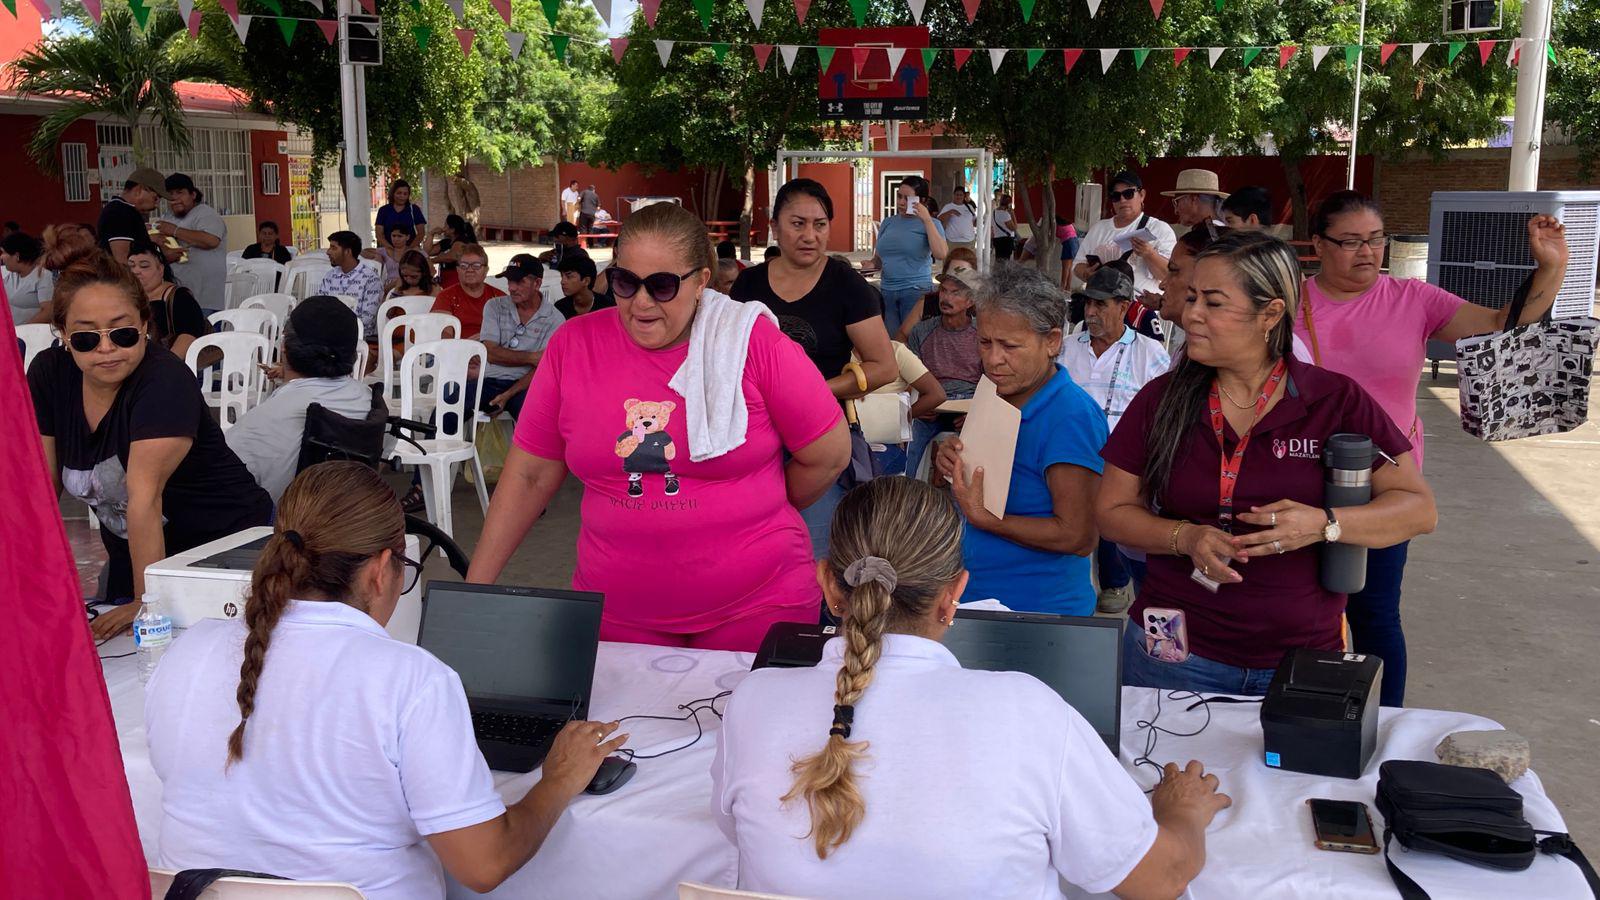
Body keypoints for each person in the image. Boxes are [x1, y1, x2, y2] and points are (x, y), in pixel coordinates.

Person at [711, 476, 1229, 900]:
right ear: (954, 595)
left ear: (828, 585)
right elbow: (1161, 879)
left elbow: (739, 834)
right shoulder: (1027, 710)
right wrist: (1181, 808)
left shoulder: (754, 700)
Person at [145, 462, 626, 900]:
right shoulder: (412, 678)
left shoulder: (188, 649)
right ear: (380, 570)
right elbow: (485, 865)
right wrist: (558, 780)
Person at [467, 201, 850, 650]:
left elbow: (829, 455)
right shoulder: (573, 346)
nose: (642, 302)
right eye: (627, 283)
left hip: (759, 603)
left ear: (701, 282)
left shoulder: (753, 344)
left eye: (663, 285)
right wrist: (475, 591)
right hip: (615, 609)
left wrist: (750, 506)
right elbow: (530, 474)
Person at [1097, 231, 1438, 695]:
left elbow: (1417, 508)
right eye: (1193, 296)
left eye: (1213, 303)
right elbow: (1112, 512)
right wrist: (1185, 537)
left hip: (1302, 660)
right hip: (1173, 654)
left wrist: (1323, 524)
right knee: (1164, 770)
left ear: (1271, 313)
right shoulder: (1162, 399)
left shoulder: (1333, 401)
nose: (1192, 313)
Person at [1293, 191, 1569, 706]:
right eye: (1349, 241)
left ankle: (1388, 725)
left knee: (1374, 613)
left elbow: (1501, 326)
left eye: (1375, 239)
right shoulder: (1289, 303)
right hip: (1300, 478)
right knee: (1300, 610)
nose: (1367, 252)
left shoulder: (1413, 299)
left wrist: (1550, 267)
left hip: (1388, 483)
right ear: (1318, 244)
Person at [28, 247, 271, 639]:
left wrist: (146, 606)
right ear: (64, 335)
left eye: (122, 333)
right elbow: (39, 492)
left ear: (144, 324)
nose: (106, 348)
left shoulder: (164, 382)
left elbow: (144, 499)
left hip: (221, 556)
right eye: (87, 337)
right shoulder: (50, 374)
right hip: (138, 559)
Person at [731, 178, 897, 555]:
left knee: (813, 557)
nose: (810, 235)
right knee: (754, 547)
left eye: (819, 224)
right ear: (774, 227)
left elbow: (884, 366)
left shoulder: (845, 284)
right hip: (754, 438)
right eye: (797, 223)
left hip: (819, 440)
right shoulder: (748, 284)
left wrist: (816, 390)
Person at [934, 264, 1105, 614]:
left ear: (1052, 342)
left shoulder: (1071, 416)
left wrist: (987, 520)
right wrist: (952, 461)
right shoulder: (995, 393)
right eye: (984, 342)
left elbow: (1078, 536)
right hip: (977, 600)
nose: (994, 360)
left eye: (1010, 346)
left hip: (1037, 615)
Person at [1058, 265, 1171, 613]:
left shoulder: (1150, 353)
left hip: (1122, 456)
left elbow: (1163, 413)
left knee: (1113, 515)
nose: (1091, 312)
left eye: (1101, 305)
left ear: (1123, 307)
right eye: (1088, 303)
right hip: (1069, 449)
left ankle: (1115, 582)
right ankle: (1071, 581)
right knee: (1066, 516)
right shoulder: (1065, 347)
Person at [224, 297, 373, 502]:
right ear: (352, 354)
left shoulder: (260, 424)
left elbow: (218, 484)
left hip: (281, 527)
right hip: (350, 519)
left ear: (284, 346)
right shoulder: (369, 400)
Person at [903, 259, 982, 477]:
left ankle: (962, 511)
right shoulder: (922, 331)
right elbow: (910, 377)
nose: (946, 298)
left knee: (965, 464)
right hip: (932, 402)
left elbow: (993, 383)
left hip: (970, 405)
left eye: (955, 293)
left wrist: (977, 415)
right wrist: (918, 404)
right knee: (905, 446)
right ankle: (899, 504)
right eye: (943, 291)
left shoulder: (982, 334)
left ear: (970, 301)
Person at [479, 258, 563, 420]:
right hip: (488, 381)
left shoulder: (555, 319)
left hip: (526, 386)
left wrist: (508, 394)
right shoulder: (494, 306)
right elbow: (490, 353)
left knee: (537, 420)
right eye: (510, 281)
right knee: (446, 407)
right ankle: (427, 444)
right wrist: (531, 358)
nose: (511, 288)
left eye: (519, 282)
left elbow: (543, 368)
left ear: (537, 283)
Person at [1074, 170, 1177, 297]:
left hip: (1142, 308)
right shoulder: (1098, 228)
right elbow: (1077, 265)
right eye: (1116, 196)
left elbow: (1169, 275)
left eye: (1128, 194)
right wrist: (1087, 274)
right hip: (1104, 306)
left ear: (1142, 195)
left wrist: (1149, 254)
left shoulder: (1159, 229)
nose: (1122, 200)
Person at [870, 175, 949, 338]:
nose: (901, 202)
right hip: (887, 292)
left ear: (922, 200)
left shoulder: (933, 224)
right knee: (891, 344)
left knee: (911, 343)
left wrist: (927, 220)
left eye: (907, 198)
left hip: (915, 291)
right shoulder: (888, 222)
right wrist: (870, 265)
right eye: (899, 196)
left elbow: (941, 254)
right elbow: (878, 260)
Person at [126, 237, 208, 360]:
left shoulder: (179, 297)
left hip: (170, 364)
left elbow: (188, 336)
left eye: (144, 266)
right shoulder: (126, 298)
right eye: (131, 266)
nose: (136, 271)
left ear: (160, 269)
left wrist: (166, 366)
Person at [156, 173, 228, 312]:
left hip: (205, 299)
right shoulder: (168, 217)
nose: (175, 198)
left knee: (206, 333)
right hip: (177, 294)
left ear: (193, 195)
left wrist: (175, 231)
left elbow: (211, 240)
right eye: (170, 194)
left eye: (180, 192)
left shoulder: (205, 214)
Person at [895, 246, 978, 342]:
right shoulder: (927, 302)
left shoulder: (979, 310)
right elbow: (902, 335)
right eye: (951, 275)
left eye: (956, 292)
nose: (948, 297)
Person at [317, 231, 385, 342]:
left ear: (348, 251)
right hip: (329, 335)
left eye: (334, 248)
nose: (328, 252)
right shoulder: (330, 275)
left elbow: (367, 320)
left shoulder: (370, 279)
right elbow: (319, 306)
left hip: (359, 339)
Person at [431, 243, 504, 340]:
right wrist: (467, 346)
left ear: (486, 270)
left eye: (476, 266)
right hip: (457, 350)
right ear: (457, 270)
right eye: (464, 266)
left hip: (492, 349)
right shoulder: (446, 296)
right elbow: (444, 336)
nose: (470, 270)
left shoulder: (499, 298)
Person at [97, 168, 166, 264]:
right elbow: (123, 259)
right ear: (138, 191)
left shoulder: (125, 210)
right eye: (155, 198)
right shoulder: (120, 212)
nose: (156, 205)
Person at [4, 231, 54, 325]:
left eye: (4, 253)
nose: (1, 257)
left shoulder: (43, 276)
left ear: (17, 256)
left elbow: (48, 312)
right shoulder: (10, 275)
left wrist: (23, 331)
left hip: (30, 335)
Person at [1161, 168, 1228, 231]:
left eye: (1176, 202)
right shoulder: (1227, 231)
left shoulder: (1205, 234)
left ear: (1193, 199)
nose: (1176, 211)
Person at [426, 215, 477, 289]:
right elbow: (427, 251)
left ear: (452, 229)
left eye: (445, 225)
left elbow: (452, 256)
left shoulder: (462, 241)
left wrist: (432, 261)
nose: (443, 228)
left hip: (457, 278)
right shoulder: (446, 242)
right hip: (445, 278)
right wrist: (431, 234)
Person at [554, 253, 612, 319]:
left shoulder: (607, 307)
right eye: (562, 276)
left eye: (569, 277)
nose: (562, 282)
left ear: (586, 281)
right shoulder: (560, 307)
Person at [366, 222, 415, 290]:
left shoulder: (414, 252)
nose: (396, 239)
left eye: (399, 236)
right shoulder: (385, 251)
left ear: (407, 237)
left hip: (407, 285)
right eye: (393, 236)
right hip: (388, 287)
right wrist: (377, 256)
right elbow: (363, 251)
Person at [936, 185, 977, 250]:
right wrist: (950, 212)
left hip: (968, 241)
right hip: (952, 241)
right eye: (957, 194)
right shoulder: (948, 206)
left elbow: (974, 223)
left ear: (964, 196)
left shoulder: (969, 207)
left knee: (967, 260)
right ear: (954, 195)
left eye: (961, 195)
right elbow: (939, 219)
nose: (959, 196)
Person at [989, 192, 1017, 261]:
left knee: (998, 259)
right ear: (1008, 203)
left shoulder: (994, 212)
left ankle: (997, 271)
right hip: (1006, 240)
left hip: (997, 239)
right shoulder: (1005, 214)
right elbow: (1014, 228)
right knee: (1005, 261)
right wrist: (1013, 214)